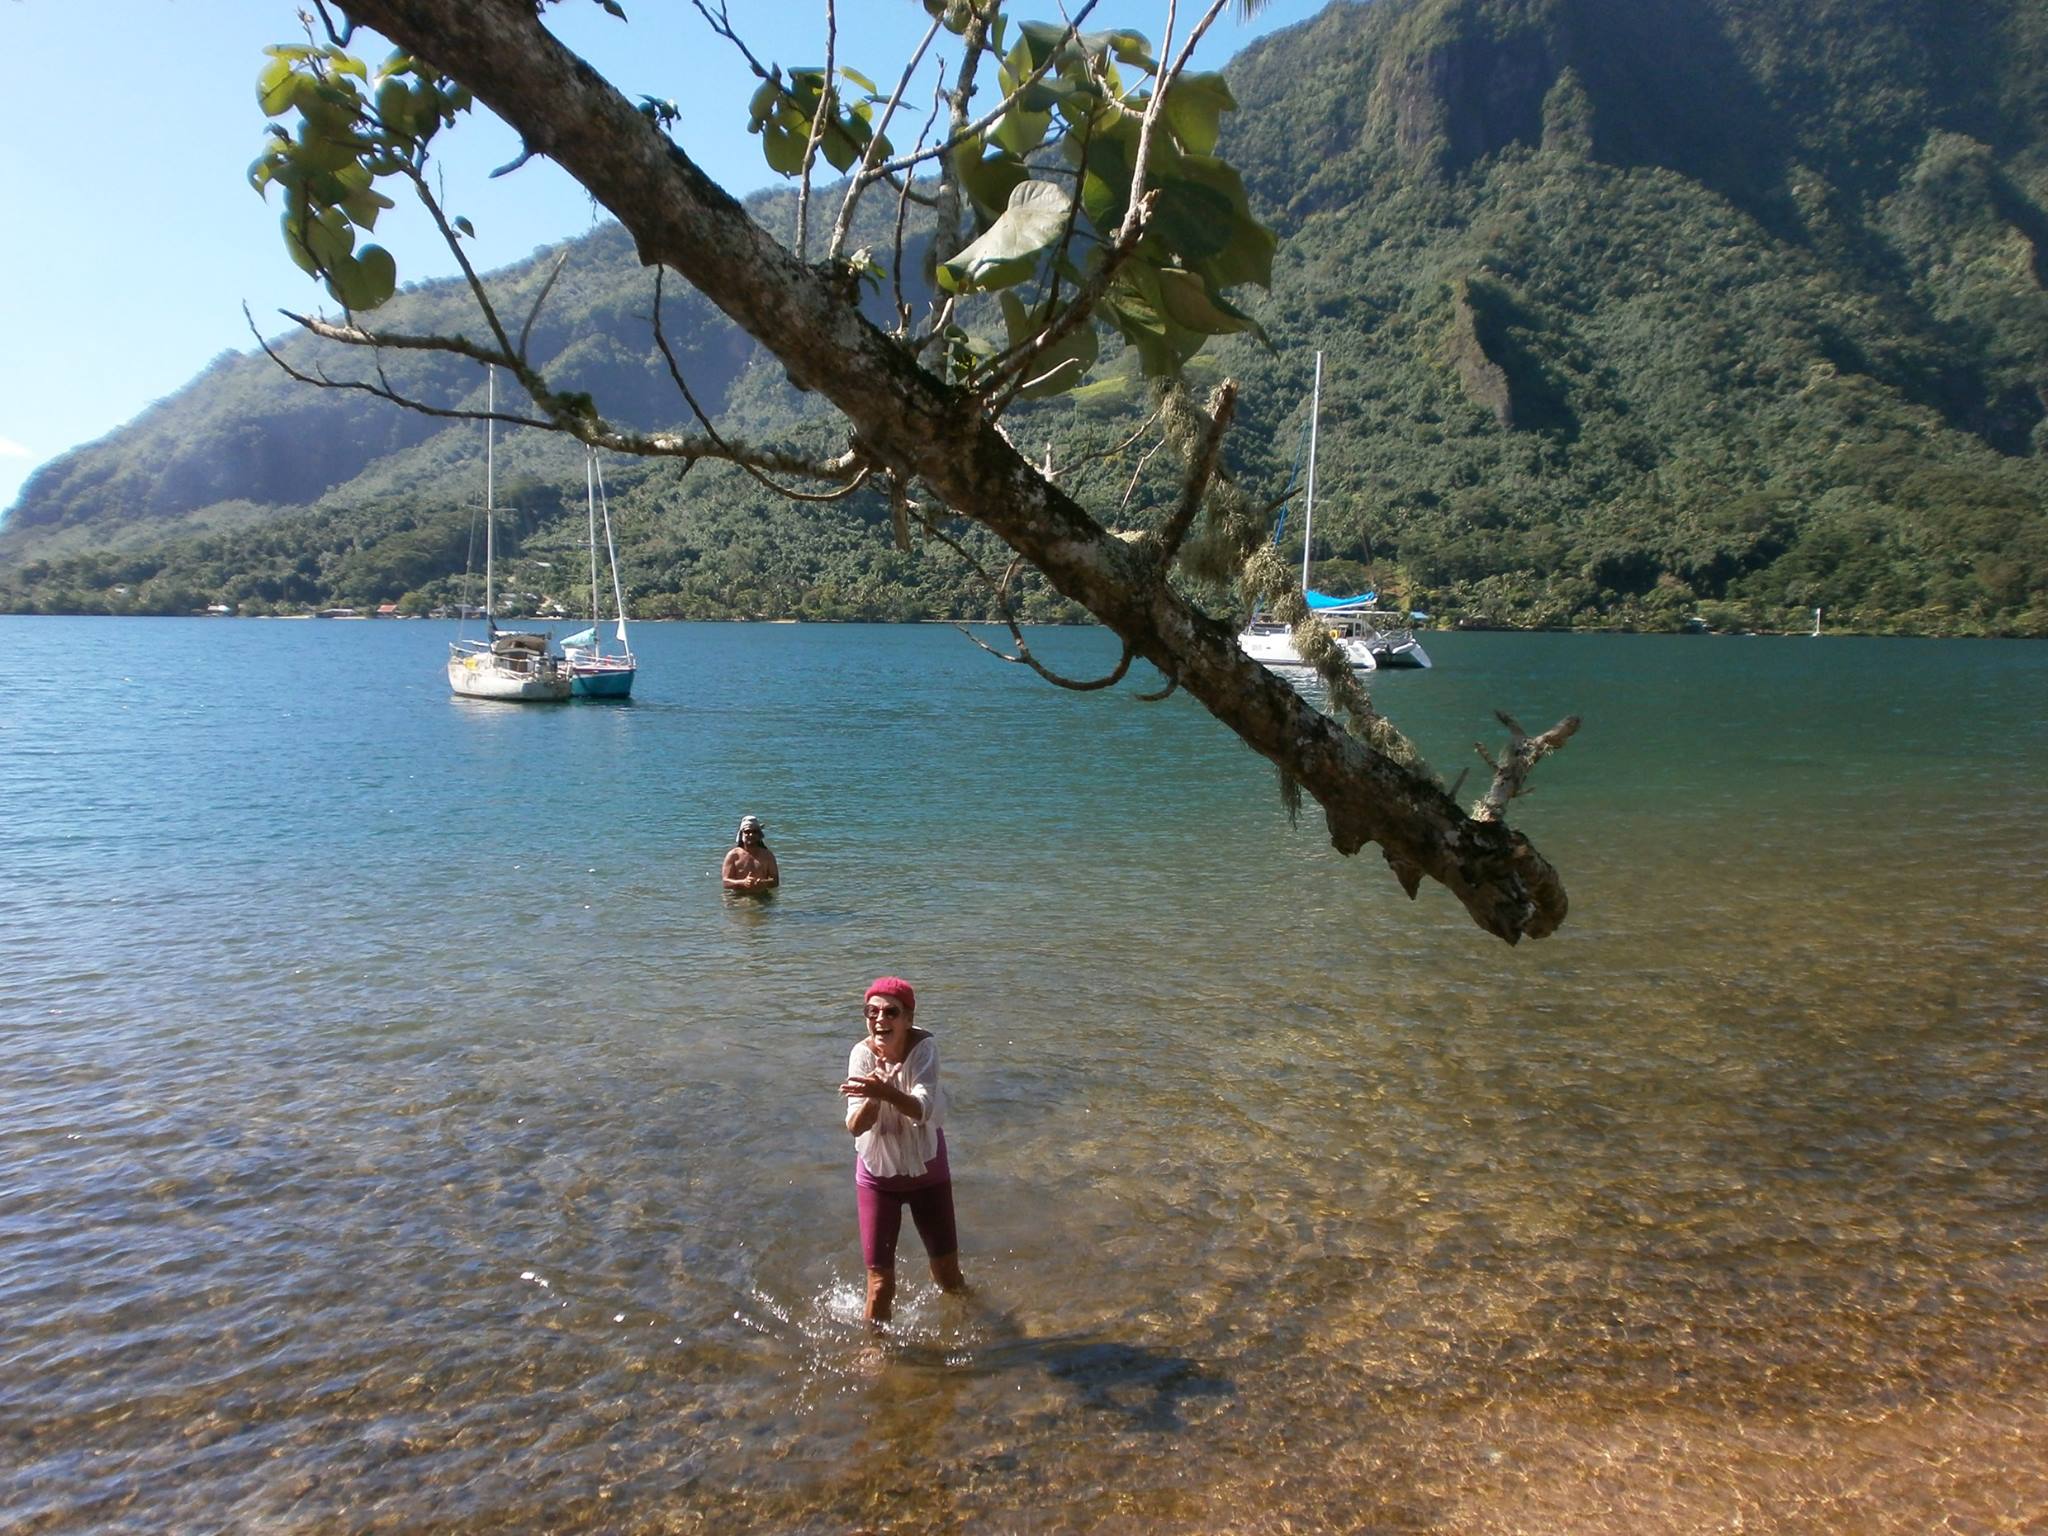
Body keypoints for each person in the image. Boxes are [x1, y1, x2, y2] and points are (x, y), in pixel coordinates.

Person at [839, 976, 966, 1324]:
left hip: (928, 1172)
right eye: (872, 1011)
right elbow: (854, 1126)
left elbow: (923, 1109)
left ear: (908, 1018)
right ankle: (875, 1352)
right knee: (880, 1285)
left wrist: (887, 1092)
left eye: (890, 1012)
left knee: (947, 1275)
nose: (880, 1019)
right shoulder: (861, 1055)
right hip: (877, 1179)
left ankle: (974, 1324)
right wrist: (874, 1099)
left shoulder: (925, 1048)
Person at [721, 815, 780, 894]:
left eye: (754, 832)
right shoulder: (733, 855)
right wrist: (743, 882)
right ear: (742, 834)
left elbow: (775, 881)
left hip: (762, 895)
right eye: (747, 832)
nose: (751, 835)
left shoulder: (767, 855)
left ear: (759, 834)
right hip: (739, 895)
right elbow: (725, 882)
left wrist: (763, 883)